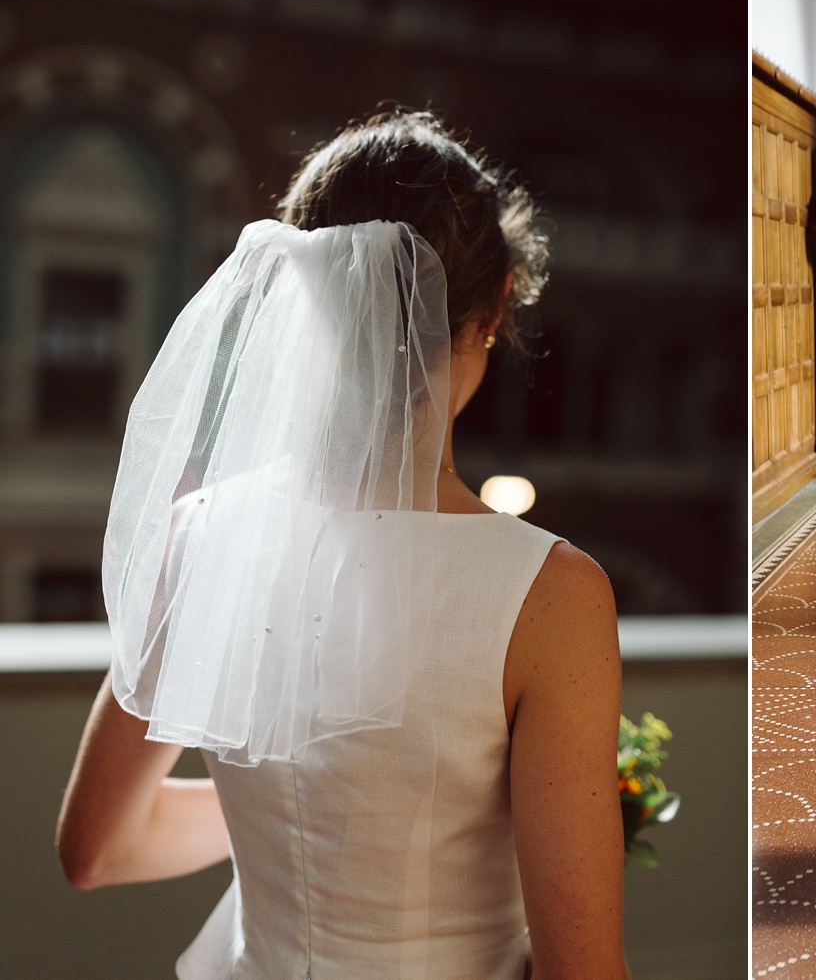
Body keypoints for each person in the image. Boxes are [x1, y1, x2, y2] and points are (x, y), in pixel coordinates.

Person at [55, 110, 629, 979]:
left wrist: (301, 805)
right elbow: (580, 969)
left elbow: (95, 851)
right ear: (498, 300)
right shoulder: (552, 594)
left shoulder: (198, 536)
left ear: (308, 297)